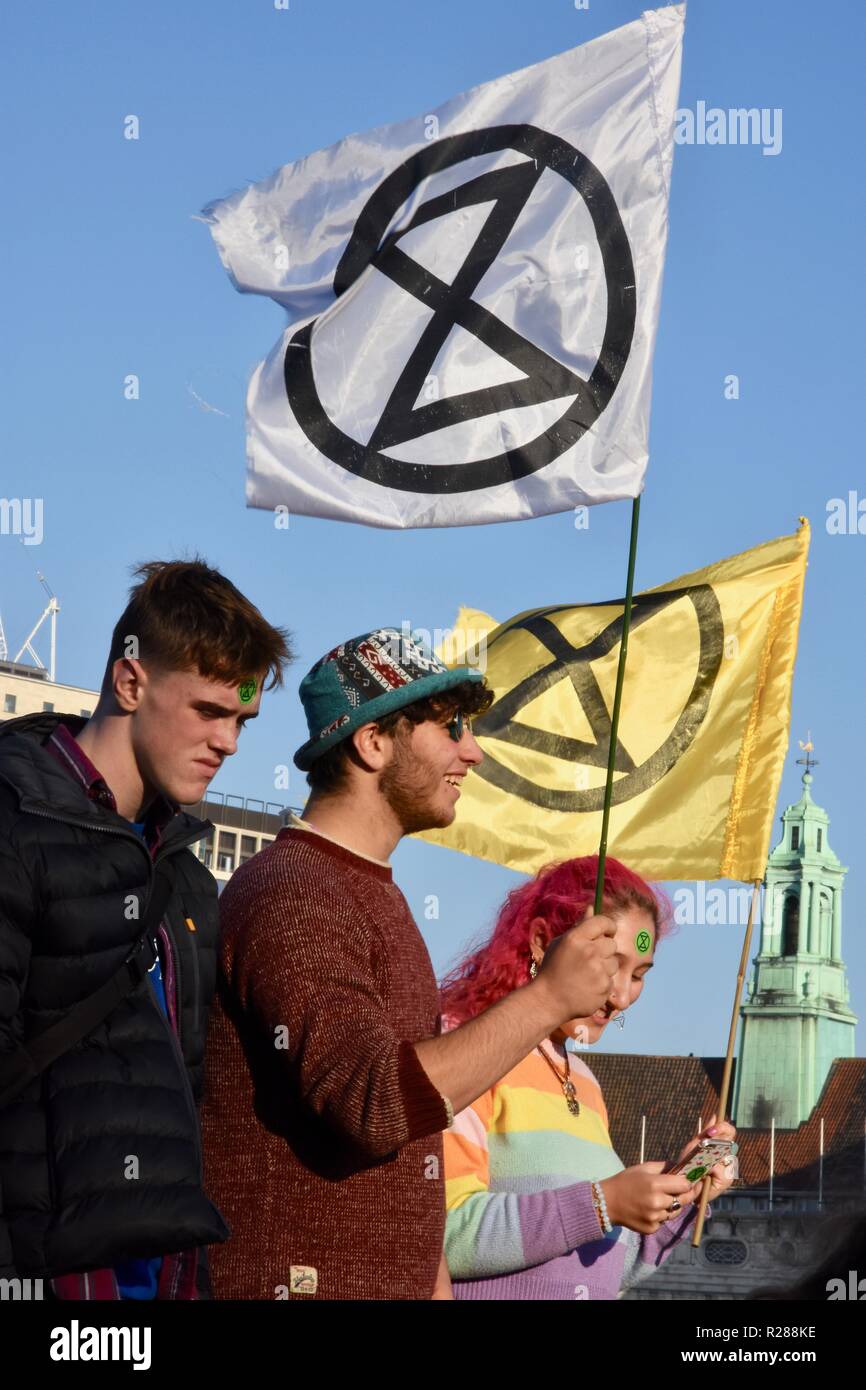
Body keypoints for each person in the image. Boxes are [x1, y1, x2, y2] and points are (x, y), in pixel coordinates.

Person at [201, 628, 624, 1300]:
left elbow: (409, 1149)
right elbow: (374, 1104)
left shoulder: (373, 893)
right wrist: (548, 999)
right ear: (372, 742)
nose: (473, 752)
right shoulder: (295, 891)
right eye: (450, 726)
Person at [0, 559, 292, 1300]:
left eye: (242, 721)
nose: (229, 742)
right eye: (208, 711)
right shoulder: (15, 817)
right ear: (131, 683)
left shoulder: (187, 873)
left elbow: (186, 1097)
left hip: (156, 1277)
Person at [441, 855, 738, 1299]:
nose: (620, 995)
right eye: (610, 963)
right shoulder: (465, 1049)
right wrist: (605, 1202)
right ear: (542, 941)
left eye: (638, 975)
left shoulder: (583, 1080)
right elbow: (444, 1236)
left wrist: (682, 1191)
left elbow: (604, 1269)